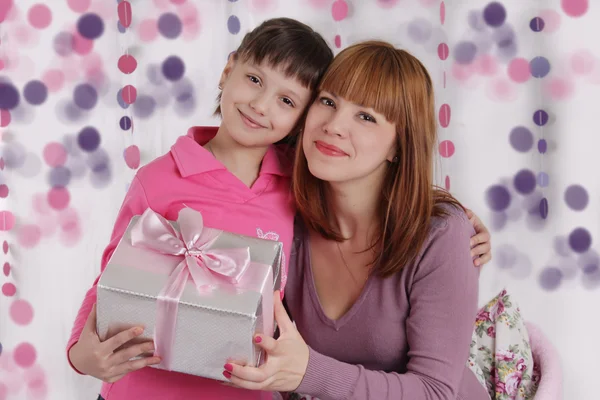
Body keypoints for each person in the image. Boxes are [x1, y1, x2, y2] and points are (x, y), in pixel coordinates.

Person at [66, 18, 333, 400]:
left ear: (302, 119)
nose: (260, 105)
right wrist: (80, 352)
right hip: (143, 389)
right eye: (255, 80)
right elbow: (108, 279)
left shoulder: (300, 190)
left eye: (286, 100)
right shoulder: (158, 179)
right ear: (229, 69)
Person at [223, 41, 492, 400]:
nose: (334, 126)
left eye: (366, 117)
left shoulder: (439, 236)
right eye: (328, 102)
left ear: (399, 145)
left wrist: (307, 372)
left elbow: (435, 392)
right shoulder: (284, 213)